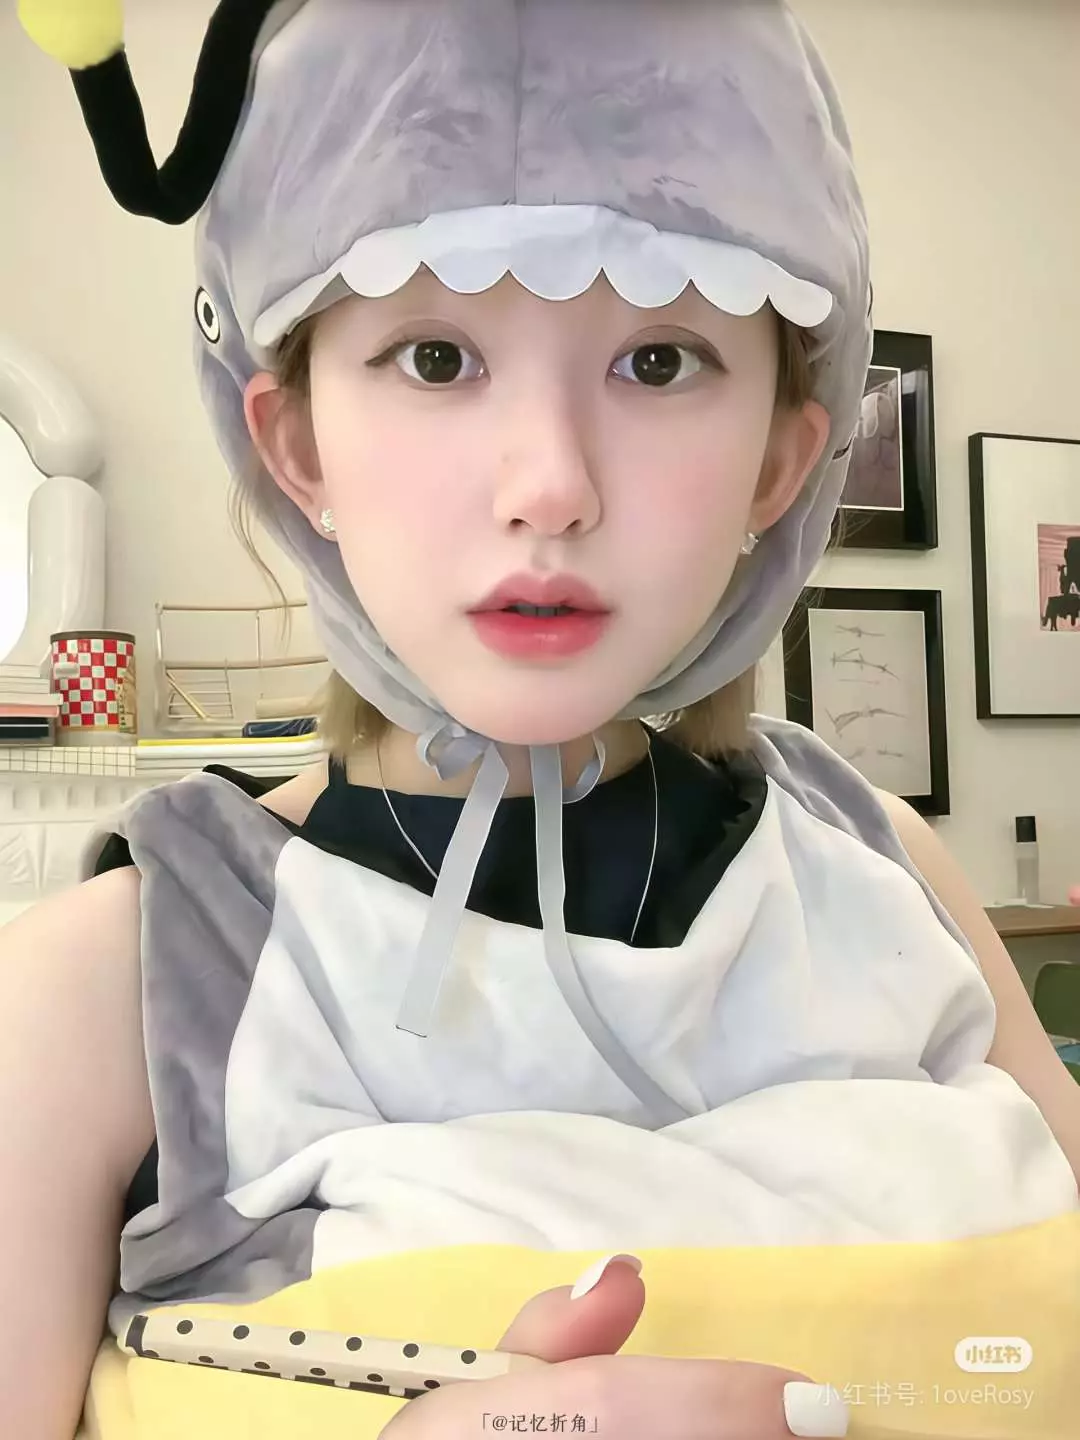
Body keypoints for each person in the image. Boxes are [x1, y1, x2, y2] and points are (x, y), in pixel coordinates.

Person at [6, 3, 1080, 1439]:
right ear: (299, 443)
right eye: (435, 359)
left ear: (779, 459)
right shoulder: (113, 980)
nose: (552, 486)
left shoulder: (884, 863)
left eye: (661, 362)